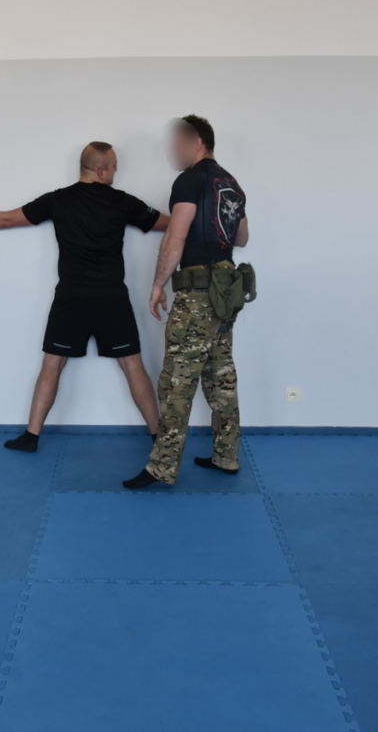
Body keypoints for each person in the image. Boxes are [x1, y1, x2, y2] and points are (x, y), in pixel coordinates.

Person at [0, 142, 169, 452]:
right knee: (133, 365)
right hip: (111, 297)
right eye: (114, 166)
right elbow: (171, 224)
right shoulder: (122, 202)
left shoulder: (58, 200)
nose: (117, 170)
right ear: (101, 171)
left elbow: (7, 219)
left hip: (71, 297)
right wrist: (208, 222)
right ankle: (160, 440)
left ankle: (31, 437)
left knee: (52, 364)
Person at [123, 116, 249, 488]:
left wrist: (158, 284)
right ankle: (226, 456)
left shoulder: (190, 179)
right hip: (226, 291)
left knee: (176, 382)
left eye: (178, 143)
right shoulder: (232, 184)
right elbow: (241, 237)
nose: (173, 150)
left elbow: (175, 237)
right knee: (220, 376)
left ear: (197, 141)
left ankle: (162, 468)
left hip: (197, 294)